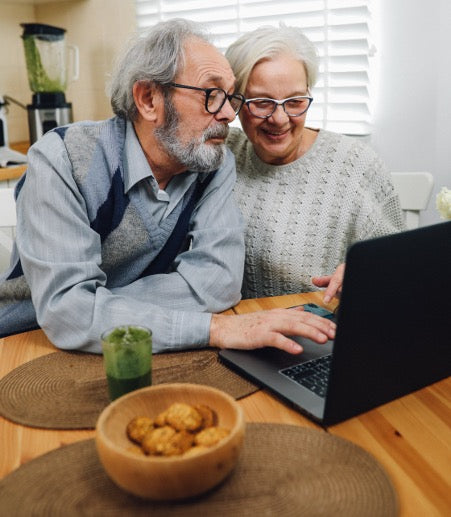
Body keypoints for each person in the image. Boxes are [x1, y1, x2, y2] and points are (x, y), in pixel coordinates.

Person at [0, 19, 335, 355]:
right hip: (28, 341)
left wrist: (97, 308)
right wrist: (212, 327)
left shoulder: (213, 164)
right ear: (149, 99)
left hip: (142, 344)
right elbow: (66, 314)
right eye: (211, 94)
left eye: (230, 96)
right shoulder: (62, 159)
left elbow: (220, 282)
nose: (229, 114)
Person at [225, 25, 406, 302]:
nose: (280, 119)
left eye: (295, 101)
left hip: (326, 329)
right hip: (243, 326)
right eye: (262, 103)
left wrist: (369, 271)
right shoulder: (223, 153)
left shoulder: (356, 165)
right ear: (235, 101)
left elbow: (400, 266)